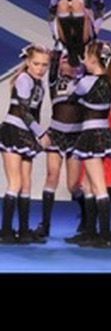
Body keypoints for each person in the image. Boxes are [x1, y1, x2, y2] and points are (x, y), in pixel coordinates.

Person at [66, 40, 111, 248]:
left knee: (97, 185)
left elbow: (72, 98)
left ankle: (104, 235)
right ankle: (90, 231)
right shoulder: (110, 81)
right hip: (103, 132)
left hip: (91, 133)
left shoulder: (87, 82)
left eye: (87, 56)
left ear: (92, 60)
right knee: (88, 184)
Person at [0, 44, 50, 244]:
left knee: (27, 182)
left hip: (26, 133)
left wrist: (35, 134)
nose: (40, 68)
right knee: (16, 182)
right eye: (36, 64)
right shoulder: (23, 79)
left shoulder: (40, 84)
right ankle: (6, 231)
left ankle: (23, 229)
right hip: (13, 131)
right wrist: (40, 133)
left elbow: (34, 112)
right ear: (28, 62)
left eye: (44, 65)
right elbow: (22, 110)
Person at [33, 49, 85, 241]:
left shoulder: (83, 82)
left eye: (72, 62)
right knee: (52, 176)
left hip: (76, 136)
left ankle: (86, 215)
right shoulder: (55, 81)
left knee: (73, 185)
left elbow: (87, 65)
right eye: (65, 61)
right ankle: (45, 224)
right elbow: (54, 58)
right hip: (56, 134)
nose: (68, 65)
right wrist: (57, 51)